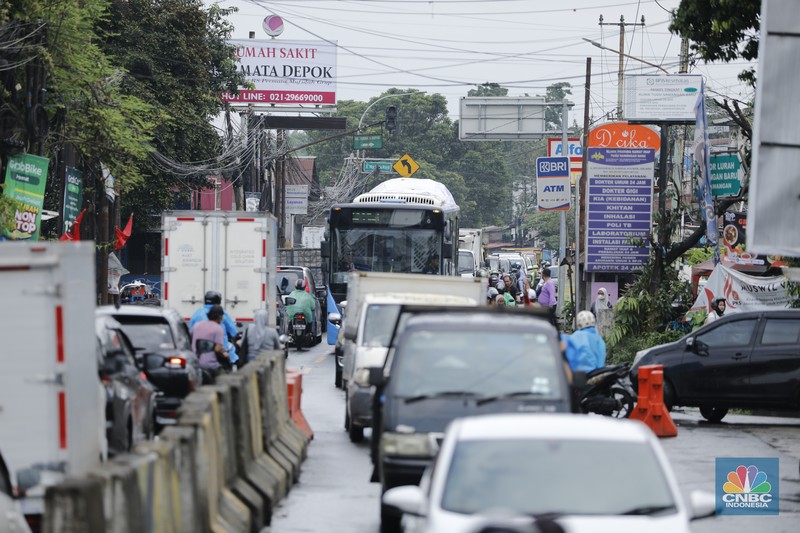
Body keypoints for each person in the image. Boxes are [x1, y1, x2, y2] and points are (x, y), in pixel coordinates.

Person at [189, 290, 239, 365]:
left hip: (198, 354)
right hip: (216, 358)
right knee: (233, 355)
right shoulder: (219, 325)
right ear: (219, 317)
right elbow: (233, 331)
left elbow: (190, 334)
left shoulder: (197, 314)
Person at [192, 305, 230, 376]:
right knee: (225, 377)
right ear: (220, 317)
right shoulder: (218, 328)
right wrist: (225, 355)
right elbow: (217, 349)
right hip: (210, 366)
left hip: (195, 363)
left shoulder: (196, 325)